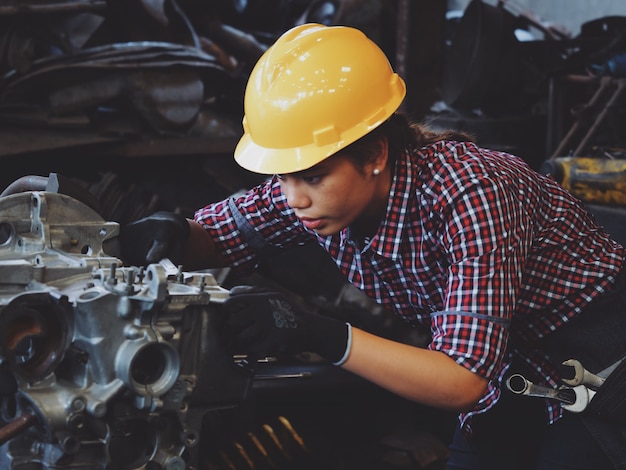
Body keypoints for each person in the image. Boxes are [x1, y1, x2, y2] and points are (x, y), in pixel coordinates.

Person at [120, 23, 626, 469]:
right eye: (282, 175)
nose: (292, 197)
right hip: (510, 373)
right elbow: (218, 237)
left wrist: (320, 332)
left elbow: (461, 380)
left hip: (599, 369)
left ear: (375, 153)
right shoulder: (315, 193)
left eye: (312, 175)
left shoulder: (472, 193)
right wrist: (173, 232)